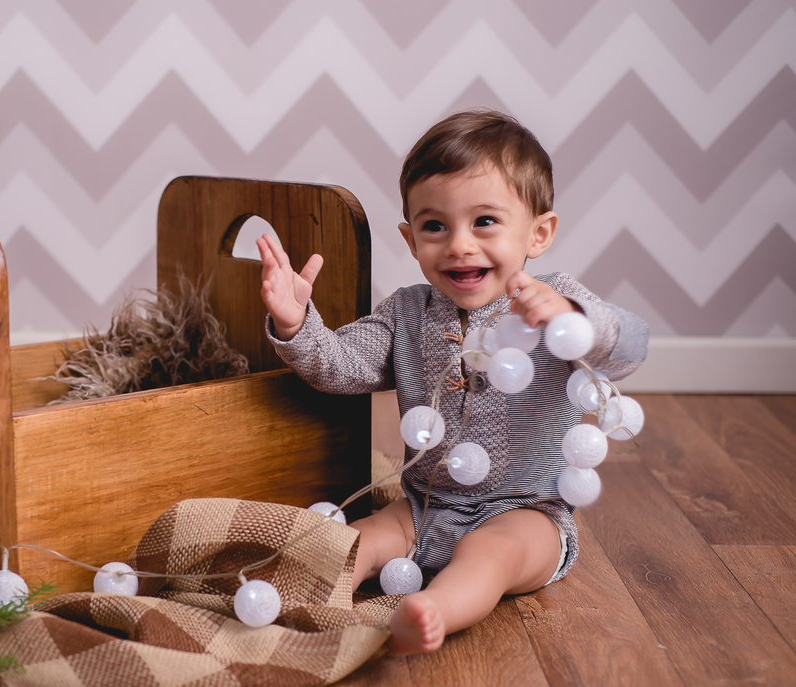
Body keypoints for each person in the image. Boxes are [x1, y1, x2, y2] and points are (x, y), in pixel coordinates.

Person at [258, 109, 648, 655]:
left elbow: (631, 346)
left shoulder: (554, 301)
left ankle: (434, 609)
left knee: (490, 556)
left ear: (538, 233)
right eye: (435, 226)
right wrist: (296, 323)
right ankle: (307, 604)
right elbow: (341, 367)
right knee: (362, 537)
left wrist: (574, 321)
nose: (459, 245)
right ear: (411, 238)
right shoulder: (407, 311)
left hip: (525, 513)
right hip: (423, 504)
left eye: (484, 221)